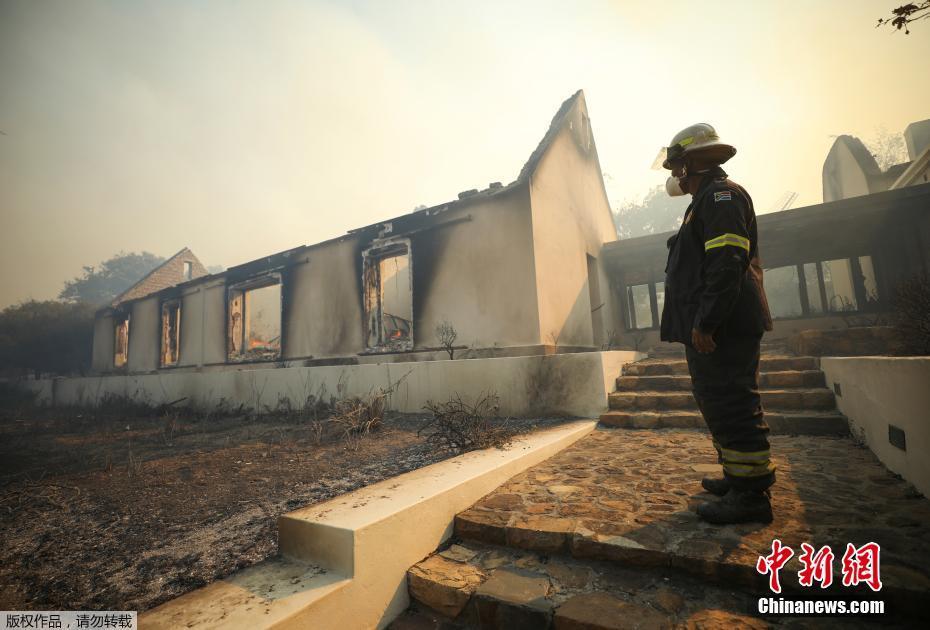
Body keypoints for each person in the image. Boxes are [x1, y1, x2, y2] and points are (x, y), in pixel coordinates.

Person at [658, 123, 775, 524]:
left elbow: (726, 264)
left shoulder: (722, 197)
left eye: (678, 167)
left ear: (691, 162)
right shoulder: (705, 201)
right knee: (717, 401)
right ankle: (737, 477)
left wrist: (706, 322)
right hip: (715, 325)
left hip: (724, 326)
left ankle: (751, 496)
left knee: (733, 402)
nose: (676, 176)